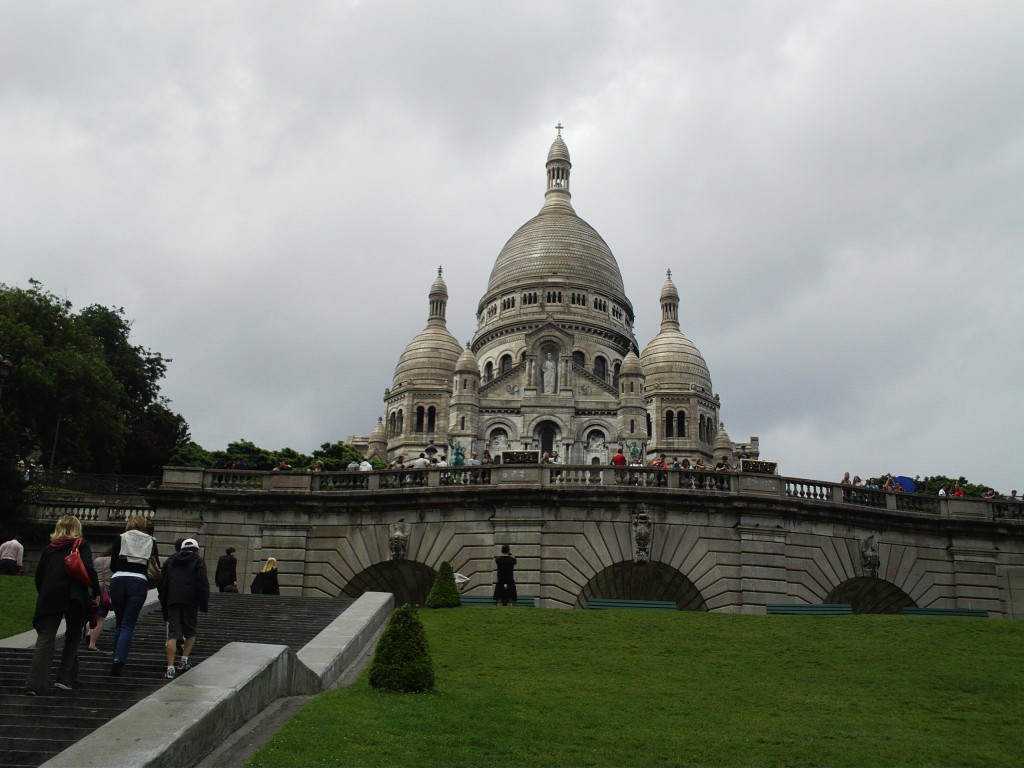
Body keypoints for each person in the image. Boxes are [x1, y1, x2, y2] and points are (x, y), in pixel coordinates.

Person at [25, 515, 100, 695]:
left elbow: (39, 576)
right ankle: (64, 678)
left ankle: (35, 685)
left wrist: (45, 592)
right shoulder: (81, 544)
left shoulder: (49, 549)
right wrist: (96, 591)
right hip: (74, 596)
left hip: (50, 596)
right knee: (73, 637)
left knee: (45, 640)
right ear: (77, 528)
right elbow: (89, 568)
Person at [158, 538, 209, 679]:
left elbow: (163, 584)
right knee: (191, 630)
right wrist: (203, 603)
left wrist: (164, 603)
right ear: (197, 550)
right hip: (191, 601)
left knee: (173, 633)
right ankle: (184, 660)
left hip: (172, 600)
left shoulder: (170, 561)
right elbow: (202, 582)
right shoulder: (198, 561)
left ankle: (170, 668)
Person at [86, 547, 113, 651]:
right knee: (100, 618)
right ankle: (92, 643)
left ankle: (89, 632)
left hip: (93, 589)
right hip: (106, 590)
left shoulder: (97, 560)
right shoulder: (113, 562)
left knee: (93, 615)